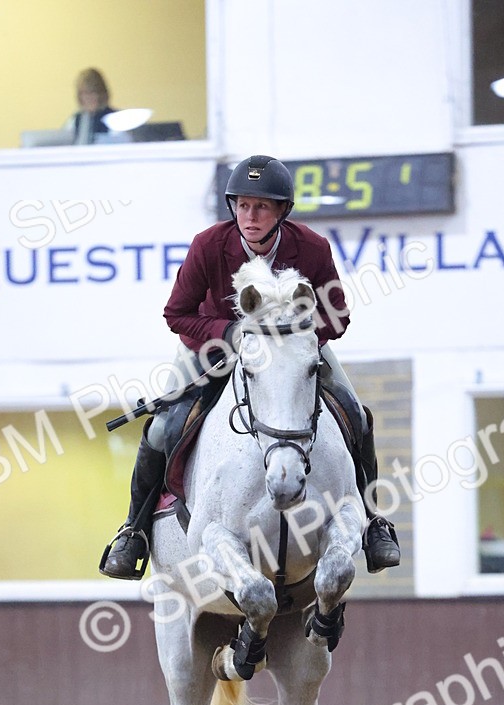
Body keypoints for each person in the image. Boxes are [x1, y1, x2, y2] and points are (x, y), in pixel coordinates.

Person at [100, 153, 400, 579]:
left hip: (293, 350)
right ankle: (133, 531)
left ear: (282, 211)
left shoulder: (312, 247)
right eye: (242, 205)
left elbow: (337, 317)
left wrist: (292, 335)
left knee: (356, 414)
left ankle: (373, 523)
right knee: (162, 429)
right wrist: (231, 333)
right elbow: (176, 314)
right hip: (213, 349)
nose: (250, 216)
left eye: (261, 206)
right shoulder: (208, 245)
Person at [71, 68, 117, 145]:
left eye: (92, 92)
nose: (89, 98)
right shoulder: (75, 120)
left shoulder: (114, 119)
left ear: (102, 94)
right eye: (84, 93)